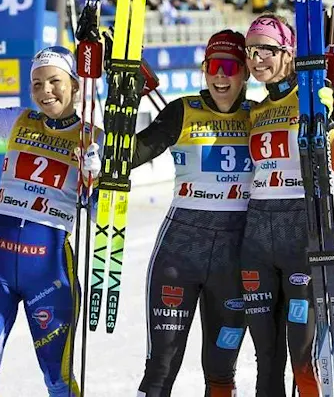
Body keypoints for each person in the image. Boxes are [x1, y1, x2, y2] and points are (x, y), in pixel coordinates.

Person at [0, 46, 100, 397]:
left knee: (58, 381)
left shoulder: (93, 137)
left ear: (75, 85)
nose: (45, 91)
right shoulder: (18, 120)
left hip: (48, 272)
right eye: (37, 84)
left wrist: (96, 176)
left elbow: (99, 211)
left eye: (54, 81)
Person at [240, 14, 334, 396]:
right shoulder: (255, 111)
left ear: (289, 53)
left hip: (302, 234)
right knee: (266, 359)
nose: (257, 59)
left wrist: (328, 129)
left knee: (305, 359)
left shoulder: (319, 96)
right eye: (251, 51)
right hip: (257, 238)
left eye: (267, 50)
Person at [133, 30, 252, 397]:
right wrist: (121, 104)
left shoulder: (260, 115)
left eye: (230, 67)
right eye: (213, 67)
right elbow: (132, 154)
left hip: (235, 259)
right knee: (161, 366)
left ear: (246, 71)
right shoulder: (182, 110)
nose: (221, 76)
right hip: (180, 252)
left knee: (221, 369)